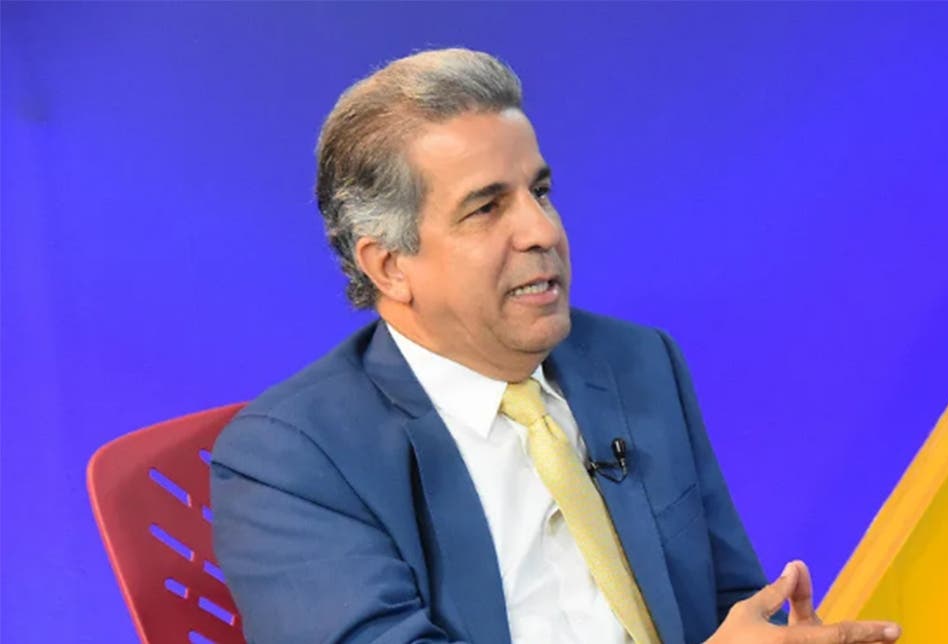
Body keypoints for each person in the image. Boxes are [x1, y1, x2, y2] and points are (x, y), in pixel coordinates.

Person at [209, 48, 901, 644]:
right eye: (487, 208)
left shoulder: (637, 364)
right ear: (389, 266)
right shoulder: (292, 460)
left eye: (539, 192)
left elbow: (731, 607)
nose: (543, 231)